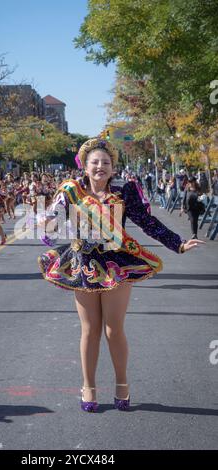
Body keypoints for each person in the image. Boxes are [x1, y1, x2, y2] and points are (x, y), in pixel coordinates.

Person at [37, 138, 205, 413]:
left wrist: (178, 244)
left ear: (113, 168)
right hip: (82, 264)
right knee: (90, 330)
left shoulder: (124, 192)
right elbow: (51, 223)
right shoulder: (70, 191)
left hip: (117, 263)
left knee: (113, 329)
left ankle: (122, 383)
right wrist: (48, 224)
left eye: (106, 162)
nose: (100, 166)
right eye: (95, 162)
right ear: (85, 166)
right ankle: (88, 385)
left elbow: (147, 222)